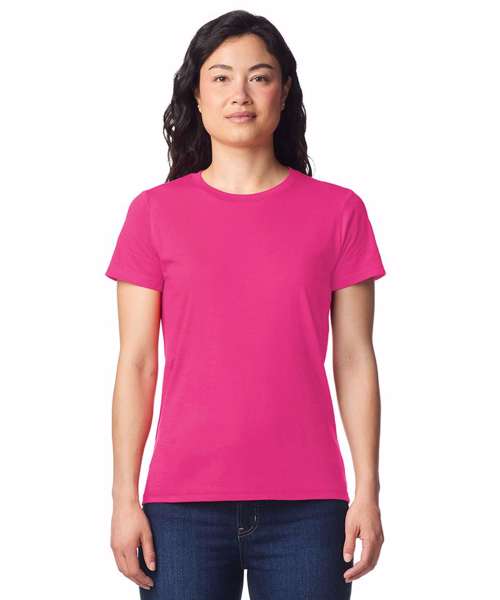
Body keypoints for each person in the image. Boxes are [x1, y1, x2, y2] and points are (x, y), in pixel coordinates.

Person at [106, 10, 386, 600]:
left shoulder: (339, 212)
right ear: (197, 96)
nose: (240, 94)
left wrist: (368, 489)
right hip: (180, 507)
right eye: (221, 77)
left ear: (284, 91)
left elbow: (355, 358)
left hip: (310, 506)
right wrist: (124, 499)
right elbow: (137, 364)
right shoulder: (153, 213)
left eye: (259, 77)